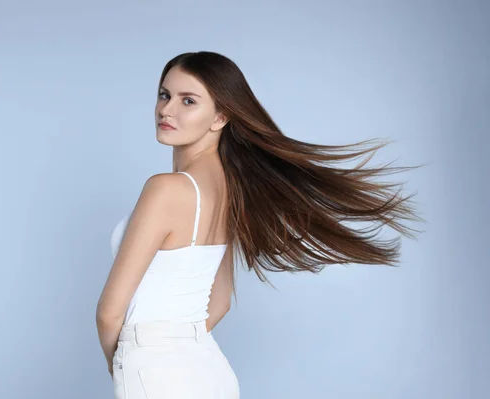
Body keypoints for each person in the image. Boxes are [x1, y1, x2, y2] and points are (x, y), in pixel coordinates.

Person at [96, 51, 425, 398]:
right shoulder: (231, 189)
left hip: (156, 370)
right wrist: (177, 345)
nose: (166, 109)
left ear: (220, 117)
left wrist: (125, 361)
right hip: (208, 368)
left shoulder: (166, 188)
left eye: (187, 101)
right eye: (165, 94)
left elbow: (109, 313)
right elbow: (219, 302)